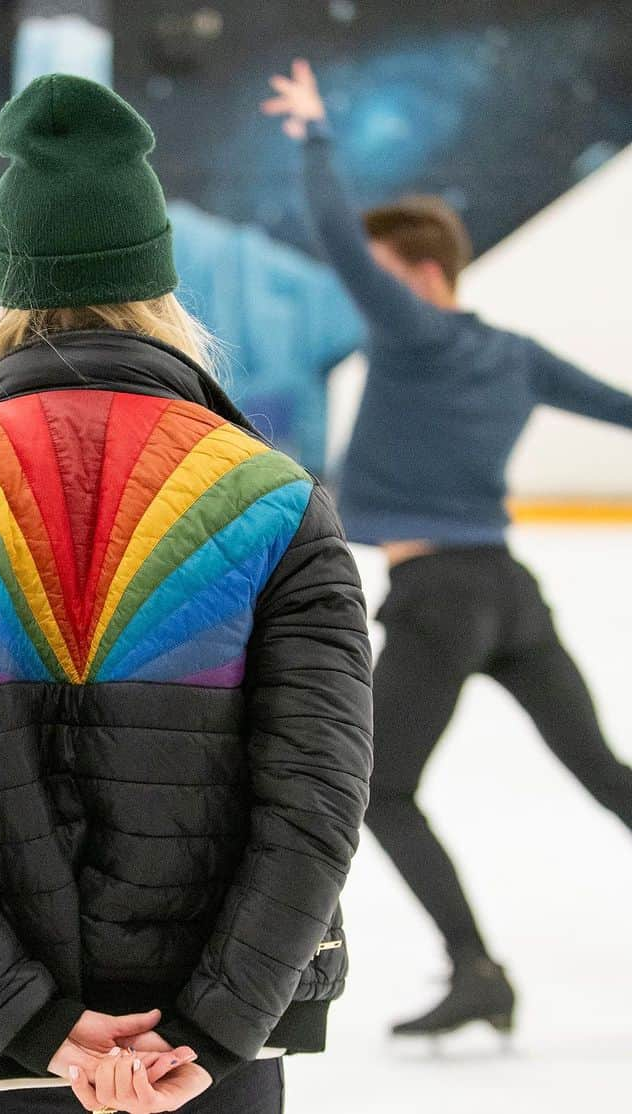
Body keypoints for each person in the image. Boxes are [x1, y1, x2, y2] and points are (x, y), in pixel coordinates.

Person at [0, 73, 373, 1114]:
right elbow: (317, 798)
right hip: (210, 1054)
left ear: (7, 288)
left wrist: (24, 1020)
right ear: (160, 283)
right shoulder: (273, 497)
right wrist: (213, 1028)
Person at [264, 59, 632, 1039]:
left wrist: (314, 134)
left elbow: (339, 238)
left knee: (380, 790)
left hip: (438, 596)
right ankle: (477, 970)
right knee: (607, 775)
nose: (371, 298)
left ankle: (477, 970)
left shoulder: (415, 332)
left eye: (387, 282)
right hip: (511, 593)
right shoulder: (517, 355)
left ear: (421, 273)